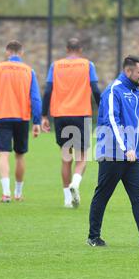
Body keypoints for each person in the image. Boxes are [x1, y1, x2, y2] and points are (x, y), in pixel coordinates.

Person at [87, 55, 139, 248]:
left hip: (133, 155)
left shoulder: (137, 90)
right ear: (128, 71)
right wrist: (126, 147)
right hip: (112, 153)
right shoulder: (113, 91)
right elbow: (112, 121)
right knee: (103, 195)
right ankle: (93, 237)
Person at [41, 38, 101, 208]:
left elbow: (47, 91)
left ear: (67, 49)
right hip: (81, 114)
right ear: (80, 49)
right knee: (82, 158)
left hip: (61, 115)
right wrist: (102, 108)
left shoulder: (56, 65)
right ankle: (75, 182)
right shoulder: (88, 65)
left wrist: (44, 115)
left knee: (66, 158)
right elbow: (95, 89)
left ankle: (67, 198)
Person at [0, 40, 42, 202]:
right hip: (22, 117)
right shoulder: (29, 71)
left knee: (4, 154)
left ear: (7, 52)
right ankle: (18, 193)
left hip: (3, 115)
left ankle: (6, 193)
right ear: (21, 53)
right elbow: (36, 98)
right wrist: (36, 122)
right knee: (20, 155)